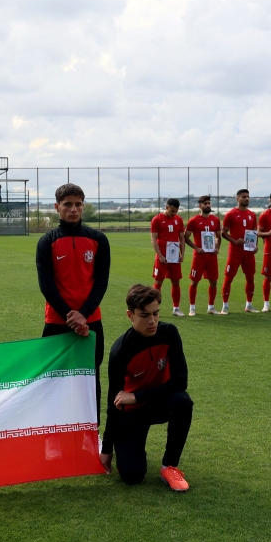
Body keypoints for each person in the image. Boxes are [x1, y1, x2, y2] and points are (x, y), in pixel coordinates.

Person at [100, 285, 192, 492]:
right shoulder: (120, 351)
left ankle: (169, 467)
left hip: (159, 403)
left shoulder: (169, 333)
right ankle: (133, 449)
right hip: (132, 414)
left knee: (183, 401)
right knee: (132, 475)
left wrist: (137, 396)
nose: (152, 321)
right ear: (130, 316)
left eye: (156, 313)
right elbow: (112, 401)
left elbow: (180, 381)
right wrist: (106, 448)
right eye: (144, 315)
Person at [36, 183, 111, 429]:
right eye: (68, 204)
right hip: (57, 321)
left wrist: (85, 314)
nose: (74, 209)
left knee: (90, 378)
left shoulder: (98, 239)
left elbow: (101, 282)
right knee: (52, 379)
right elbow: (46, 285)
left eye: (78, 204)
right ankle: (52, 433)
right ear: (57, 207)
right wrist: (72, 317)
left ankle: (92, 432)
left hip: (91, 320)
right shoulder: (47, 241)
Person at [221, 189, 259, 314]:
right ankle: (225, 306)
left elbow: (254, 232)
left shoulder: (252, 215)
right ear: (237, 199)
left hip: (248, 252)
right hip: (235, 252)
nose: (246, 199)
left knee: (250, 278)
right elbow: (223, 232)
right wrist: (234, 241)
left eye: (248, 197)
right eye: (243, 197)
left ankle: (249, 304)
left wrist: (255, 246)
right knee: (229, 278)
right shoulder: (231, 214)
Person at [184, 195, 223, 316]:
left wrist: (216, 247)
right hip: (199, 256)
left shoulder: (215, 220)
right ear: (200, 206)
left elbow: (218, 236)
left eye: (209, 203)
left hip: (211, 256)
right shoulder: (193, 220)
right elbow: (186, 237)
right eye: (205, 203)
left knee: (213, 282)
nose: (208, 205)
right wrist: (196, 248)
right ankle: (192, 308)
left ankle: (211, 307)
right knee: (194, 281)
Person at [150, 198, 186, 316]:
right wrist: (159, 255)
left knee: (176, 281)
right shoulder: (157, 219)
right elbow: (153, 239)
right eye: (171, 211)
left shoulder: (178, 220)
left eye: (175, 211)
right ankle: (153, 309)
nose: (173, 213)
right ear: (166, 207)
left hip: (174, 256)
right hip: (162, 256)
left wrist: (182, 254)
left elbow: (181, 237)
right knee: (158, 281)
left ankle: (176, 308)